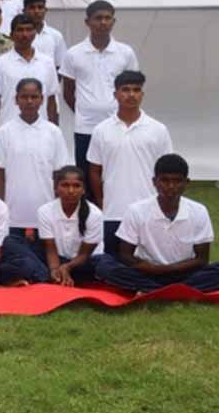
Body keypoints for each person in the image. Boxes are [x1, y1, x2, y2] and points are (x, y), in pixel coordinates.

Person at [96, 154, 219, 293]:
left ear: (186, 182)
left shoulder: (199, 211)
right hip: (148, 271)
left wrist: (168, 269)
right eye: (165, 180)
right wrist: (153, 269)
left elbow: (202, 259)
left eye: (177, 181)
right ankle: (175, 290)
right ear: (154, 182)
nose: (171, 186)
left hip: (185, 272)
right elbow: (125, 255)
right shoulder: (136, 210)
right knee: (105, 266)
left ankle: (154, 290)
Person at [87, 70, 172, 255]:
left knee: (149, 260)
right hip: (113, 211)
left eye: (136, 90)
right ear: (115, 94)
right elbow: (94, 170)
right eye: (125, 90)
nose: (131, 94)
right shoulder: (101, 130)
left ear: (142, 94)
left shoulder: (158, 130)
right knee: (112, 262)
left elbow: (166, 171)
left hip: (149, 210)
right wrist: (102, 202)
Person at [62, 0, 140, 188]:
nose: (103, 22)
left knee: (117, 173)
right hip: (85, 127)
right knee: (87, 176)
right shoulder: (73, 54)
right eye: (98, 18)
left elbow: (133, 86)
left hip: (118, 125)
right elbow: (68, 92)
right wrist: (86, 111)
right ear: (87, 22)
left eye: (107, 18)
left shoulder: (125, 52)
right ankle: (90, 208)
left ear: (114, 22)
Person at [0, 79, 70, 257]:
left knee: (46, 261)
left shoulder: (53, 132)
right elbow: (0, 174)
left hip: (45, 214)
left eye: (34, 97)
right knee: (15, 260)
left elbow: (59, 175)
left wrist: (58, 210)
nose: (29, 101)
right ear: (16, 99)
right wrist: (0, 210)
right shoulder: (5, 132)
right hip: (13, 215)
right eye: (24, 97)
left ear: (42, 99)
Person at [0, 14, 59, 141]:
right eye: (19, 30)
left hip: (41, 134)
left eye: (29, 29)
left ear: (35, 33)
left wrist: (54, 134)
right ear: (11, 35)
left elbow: (51, 101)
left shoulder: (47, 63)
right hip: (9, 134)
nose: (24, 34)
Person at [38, 166, 104, 286]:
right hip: (58, 259)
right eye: (65, 185)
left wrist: (67, 267)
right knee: (19, 245)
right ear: (55, 188)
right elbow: (50, 249)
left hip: (85, 263)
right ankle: (55, 276)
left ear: (83, 189)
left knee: (105, 266)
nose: (71, 191)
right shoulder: (44, 211)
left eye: (77, 186)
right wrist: (55, 269)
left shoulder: (95, 214)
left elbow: (85, 254)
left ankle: (46, 276)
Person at [22, 0, 67, 70]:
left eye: (40, 7)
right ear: (24, 11)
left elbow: (60, 65)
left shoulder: (56, 36)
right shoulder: (19, 36)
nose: (36, 11)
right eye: (32, 7)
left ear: (45, 10)